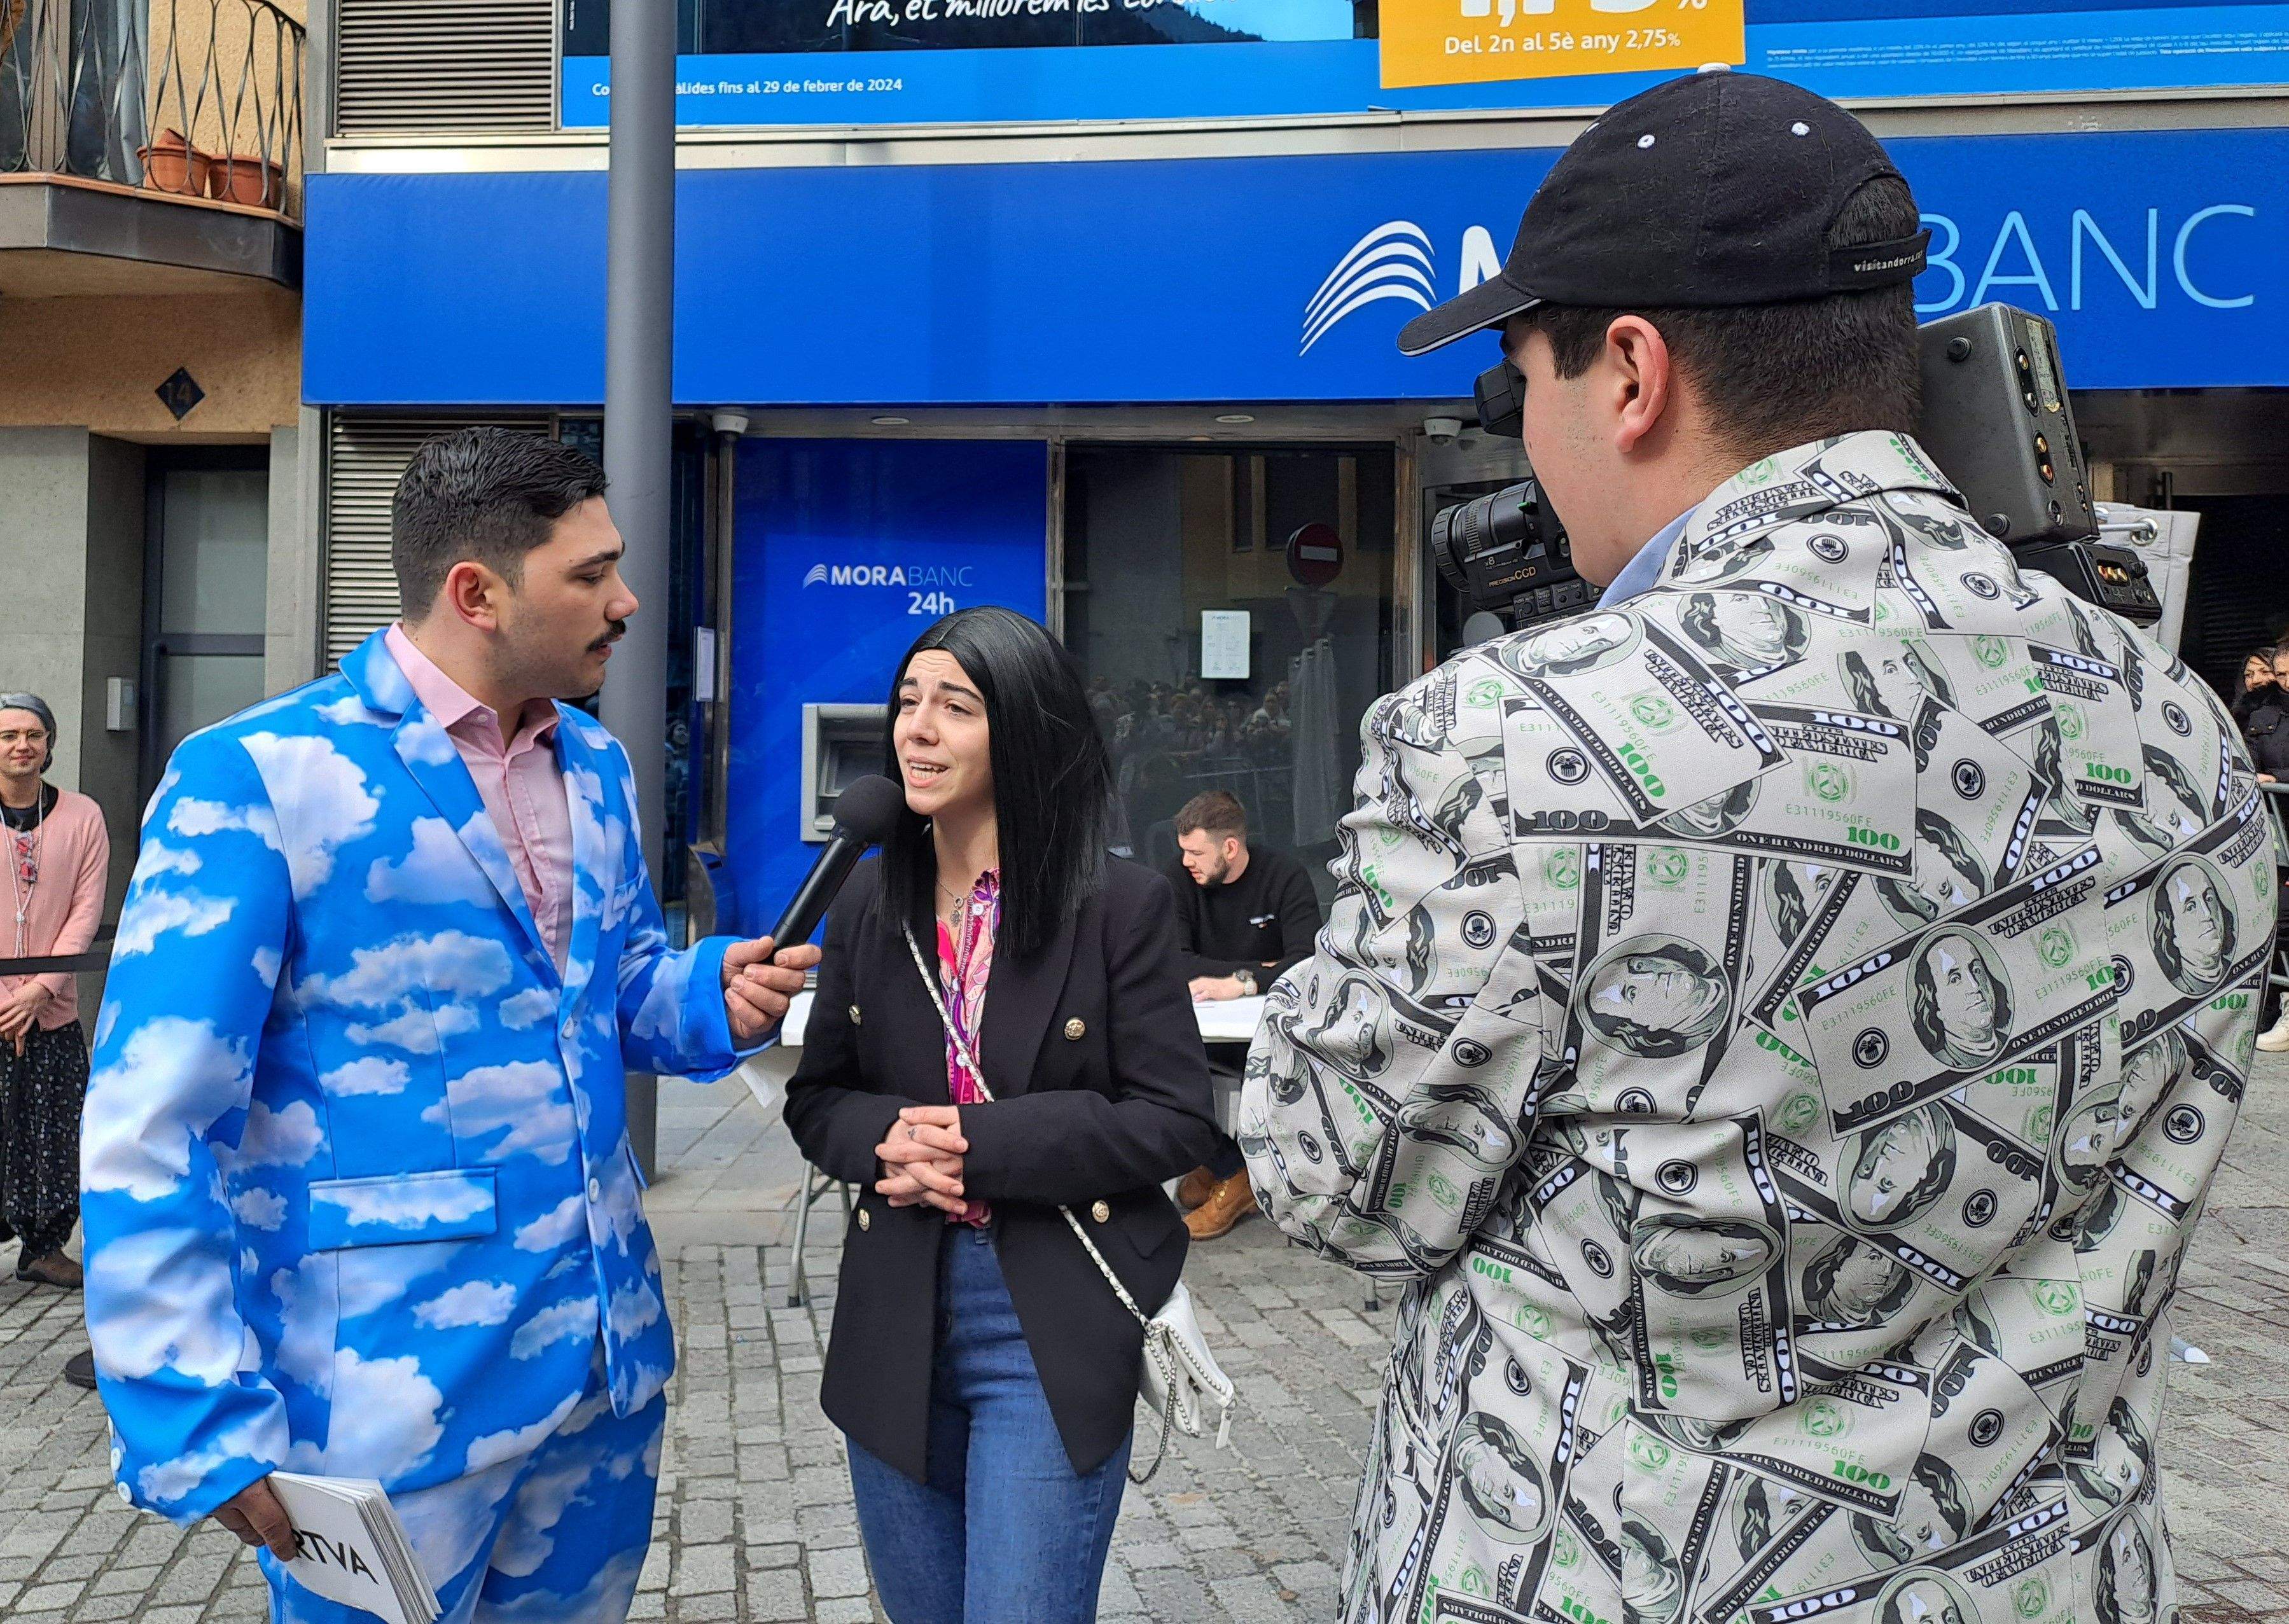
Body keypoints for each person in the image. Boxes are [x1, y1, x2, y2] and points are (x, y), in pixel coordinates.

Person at [1239, 69, 2272, 1624]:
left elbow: (1331, 1174)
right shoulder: (2179, 724)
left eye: (1520, 386)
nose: (1525, 448)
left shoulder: (1517, 732)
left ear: (1630, 373)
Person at [80, 428, 815, 1622]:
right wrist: (192, 1408)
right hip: (384, 1403)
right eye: (591, 574)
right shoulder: (258, 774)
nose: (626, 602)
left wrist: (700, 994)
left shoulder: (596, 762)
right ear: (477, 592)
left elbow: (609, 986)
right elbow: (153, 1115)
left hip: (601, 1378)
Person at [783, 606, 1218, 1624]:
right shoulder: (866, 901)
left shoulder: (1119, 904)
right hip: (894, 1315)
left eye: (955, 706)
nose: (917, 728)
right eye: (907, 701)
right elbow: (818, 1100)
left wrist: (976, 1142)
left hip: (1044, 1316)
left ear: (1021, 728)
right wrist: (883, 1137)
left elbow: (1174, 1120)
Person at [1162, 789, 1324, 1240]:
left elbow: (1309, 961)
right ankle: (1230, 1166)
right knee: (1158, 1069)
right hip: (1202, 1028)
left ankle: (1237, 1176)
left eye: (1197, 853)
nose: (1187, 861)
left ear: (1230, 847)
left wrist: (1241, 982)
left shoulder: (1284, 875)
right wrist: (1266, 968)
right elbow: (1175, 961)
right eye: (1184, 851)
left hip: (1276, 1027)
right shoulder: (1178, 879)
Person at [0, 693, 108, 1291]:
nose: (22, 745)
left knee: (57, 1131)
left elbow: (85, 910)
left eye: (34, 735)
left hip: (53, 1007)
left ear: (49, 744)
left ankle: (44, 1247)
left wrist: (39, 989)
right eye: (9, 735)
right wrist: (8, 999)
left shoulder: (84, 816)